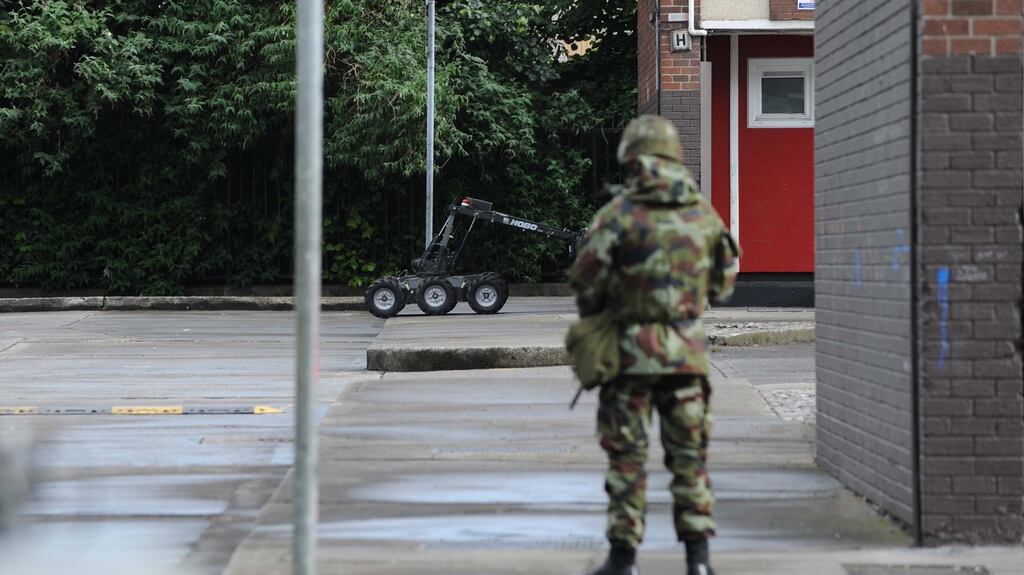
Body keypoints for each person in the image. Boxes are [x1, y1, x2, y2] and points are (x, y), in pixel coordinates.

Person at [570, 115, 739, 575]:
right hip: (686, 355)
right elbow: (724, 283)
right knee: (690, 458)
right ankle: (698, 562)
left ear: (632, 158)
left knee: (627, 458)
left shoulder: (618, 215)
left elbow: (586, 283)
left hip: (629, 356)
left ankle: (624, 561)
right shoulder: (703, 214)